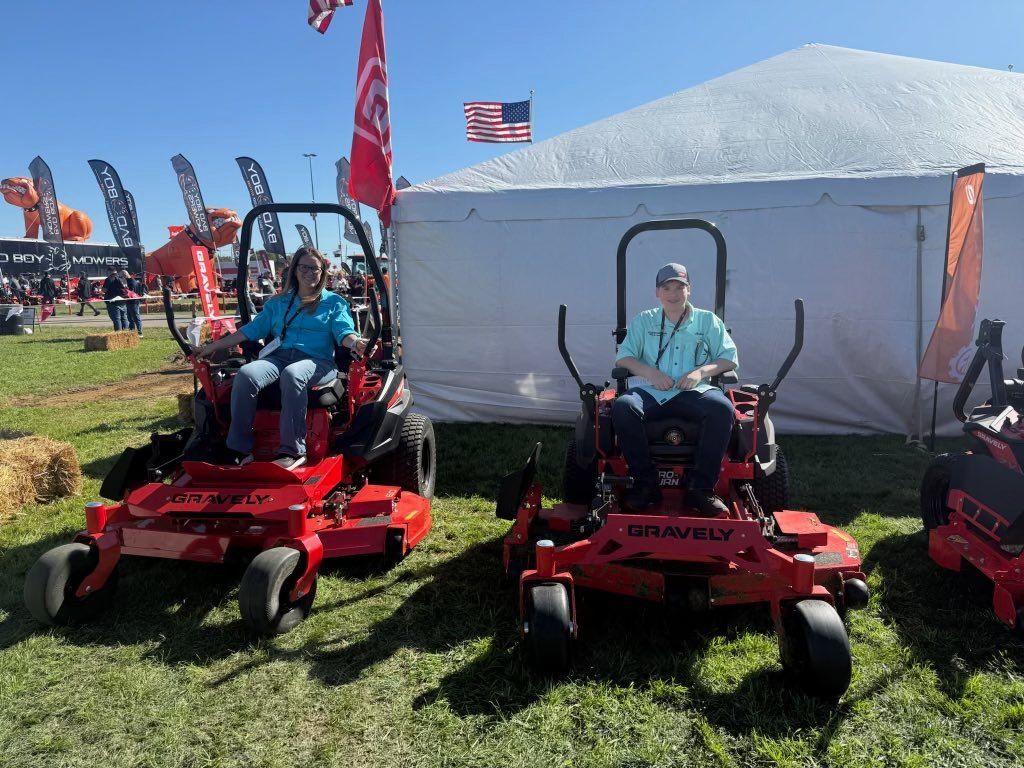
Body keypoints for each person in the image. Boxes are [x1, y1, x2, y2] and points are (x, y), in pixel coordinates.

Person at [196, 245, 367, 470]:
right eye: (304, 267)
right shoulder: (278, 304)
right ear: (294, 270)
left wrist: (356, 343)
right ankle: (238, 448)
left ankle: (293, 450)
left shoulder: (333, 303)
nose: (310, 273)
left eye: (315, 269)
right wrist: (212, 346)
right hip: (279, 357)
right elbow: (248, 331)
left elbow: (344, 332)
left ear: (322, 272)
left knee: (293, 374)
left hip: (318, 361)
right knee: (246, 374)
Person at [613, 263, 739, 516]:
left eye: (679, 287)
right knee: (624, 407)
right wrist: (650, 373)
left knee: (723, 409)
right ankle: (645, 484)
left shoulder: (708, 320)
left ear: (689, 290)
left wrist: (700, 372)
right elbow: (624, 358)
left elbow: (728, 359)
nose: (673, 293)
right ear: (657, 292)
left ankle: (701, 490)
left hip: (694, 391)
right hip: (651, 390)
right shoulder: (644, 320)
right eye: (666, 287)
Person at [102, 265, 128, 331]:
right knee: (124, 318)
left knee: (117, 319)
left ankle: (118, 334)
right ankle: (126, 332)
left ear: (109, 271)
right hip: (123, 300)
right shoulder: (122, 278)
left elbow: (104, 290)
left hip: (113, 301)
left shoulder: (109, 279)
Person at [122, 270, 144, 337]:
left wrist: (122, 296)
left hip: (134, 302)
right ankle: (132, 331)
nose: (122, 277)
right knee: (130, 318)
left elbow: (131, 293)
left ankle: (140, 333)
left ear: (125, 275)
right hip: (129, 302)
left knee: (136, 318)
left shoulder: (132, 282)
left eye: (122, 276)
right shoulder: (129, 281)